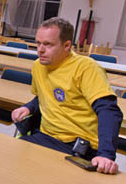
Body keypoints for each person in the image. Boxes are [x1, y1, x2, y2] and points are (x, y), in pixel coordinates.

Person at [11, 17, 121, 174]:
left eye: (48, 44)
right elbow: (42, 96)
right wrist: (29, 107)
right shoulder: (38, 66)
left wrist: (106, 155)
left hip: (79, 147)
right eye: (38, 43)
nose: (40, 50)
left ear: (67, 45)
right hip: (45, 137)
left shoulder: (85, 68)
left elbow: (108, 110)